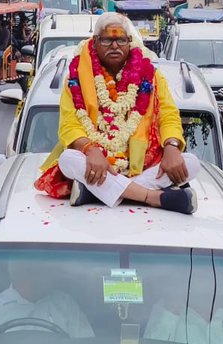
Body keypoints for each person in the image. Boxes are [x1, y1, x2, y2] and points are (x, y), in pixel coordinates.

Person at [35, 12, 202, 213]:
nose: (115, 46)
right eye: (107, 40)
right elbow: (69, 125)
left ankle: (97, 192)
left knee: (191, 163)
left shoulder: (152, 76)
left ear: (129, 42)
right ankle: (152, 197)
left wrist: (172, 146)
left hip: (142, 162)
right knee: (68, 159)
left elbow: (168, 115)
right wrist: (91, 149)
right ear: (95, 42)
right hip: (97, 161)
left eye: (121, 40)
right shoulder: (76, 76)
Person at [0, 265, 93, 344]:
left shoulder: (65, 304)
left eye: (48, 271)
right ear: (23, 275)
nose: (50, 277)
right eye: (38, 271)